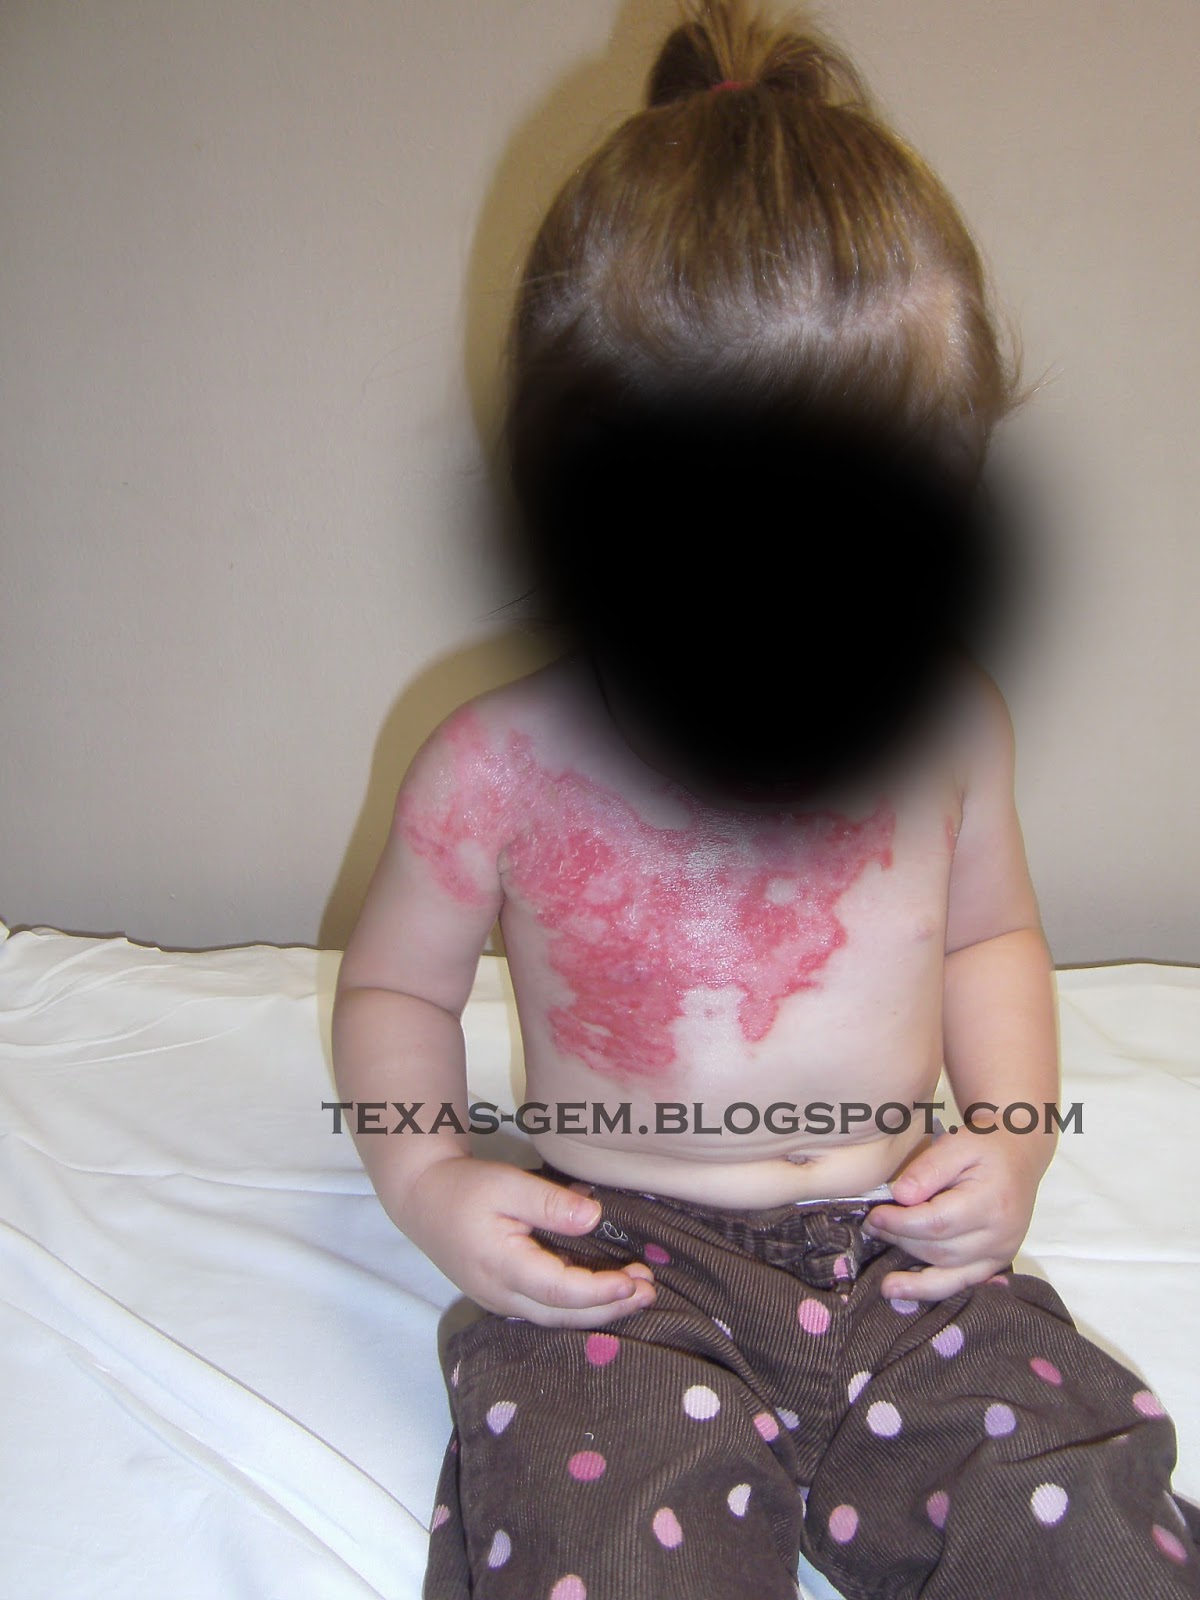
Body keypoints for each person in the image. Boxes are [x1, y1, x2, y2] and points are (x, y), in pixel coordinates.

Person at [331, 3, 1200, 1595]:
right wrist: (430, 1176)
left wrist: (1011, 1144)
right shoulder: (499, 766)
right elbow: (396, 988)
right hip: (622, 1273)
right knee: (600, 1540)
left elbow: (988, 941)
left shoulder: (945, 724)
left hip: (905, 1253)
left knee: (1075, 1501)